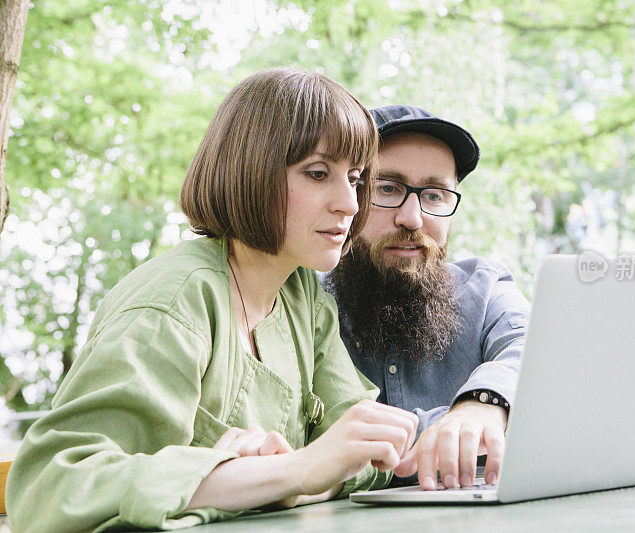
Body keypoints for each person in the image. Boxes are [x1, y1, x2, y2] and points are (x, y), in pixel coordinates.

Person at [6, 69, 418, 532]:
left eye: (356, 177)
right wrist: (289, 472)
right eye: (318, 173)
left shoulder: (302, 295)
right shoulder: (174, 300)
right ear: (250, 170)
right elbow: (51, 486)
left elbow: (364, 445)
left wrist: (289, 479)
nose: (349, 203)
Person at [323, 105, 528, 491]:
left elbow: (539, 348)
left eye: (434, 195)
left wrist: (484, 402)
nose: (413, 218)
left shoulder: (485, 290)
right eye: (388, 189)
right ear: (350, 194)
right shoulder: (304, 304)